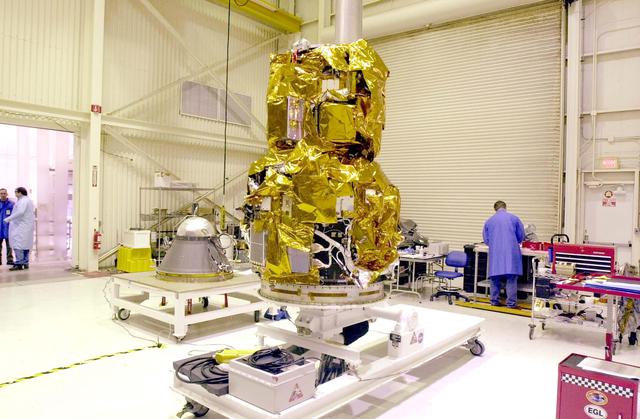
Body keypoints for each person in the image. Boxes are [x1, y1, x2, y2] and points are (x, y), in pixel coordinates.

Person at [482, 200, 525, 309]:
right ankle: (511, 303)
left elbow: (486, 240)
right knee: (511, 278)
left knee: (494, 277)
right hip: (511, 252)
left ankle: (494, 301)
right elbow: (521, 236)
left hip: (496, 253)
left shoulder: (489, 221)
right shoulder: (514, 218)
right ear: (505, 207)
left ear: (495, 209)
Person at [4, 187, 35, 271]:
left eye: (16, 192)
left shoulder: (23, 201)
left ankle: (19, 264)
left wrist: (8, 219)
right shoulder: (27, 200)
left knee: (18, 245)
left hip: (20, 227)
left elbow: (20, 212)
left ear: (20, 192)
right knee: (25, 245)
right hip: (25, 227)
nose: (15, 194)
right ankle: (25, 262)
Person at [0, 188, 14, 265]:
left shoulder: (11, 204)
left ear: (7, 194)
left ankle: (10, 260)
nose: (3, 195)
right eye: (1, 193)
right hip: (0, 228)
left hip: (9, 228)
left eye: (4, 193)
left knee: (9, 245)